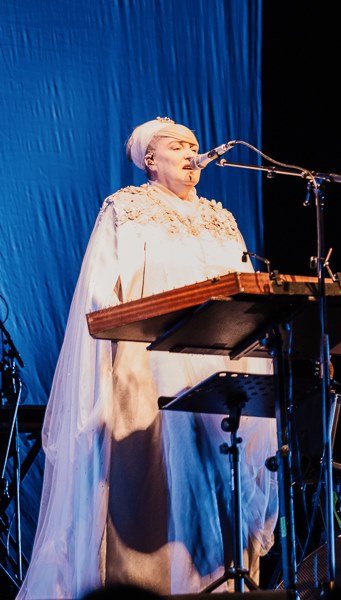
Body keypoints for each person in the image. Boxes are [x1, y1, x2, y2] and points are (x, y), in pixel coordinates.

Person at [18, 117, 279, 598]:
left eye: (194, 145)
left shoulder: (221, 219)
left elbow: (241, 290)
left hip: (218, 368)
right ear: (150, 160)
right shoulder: (126, 209)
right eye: (177, 146)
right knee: (152, 488)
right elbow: (100, 293)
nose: (191, 153)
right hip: (148, 365)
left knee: (215, 485)